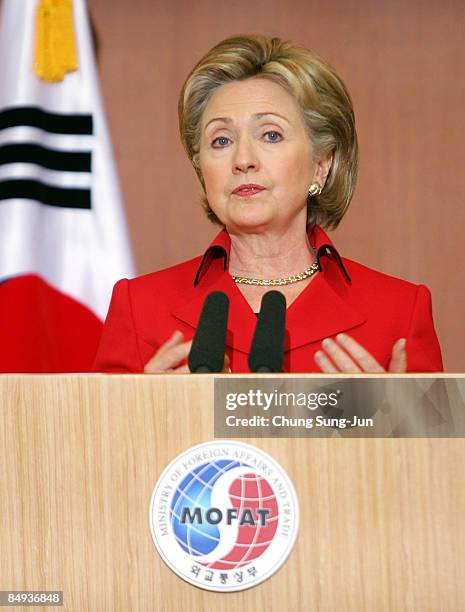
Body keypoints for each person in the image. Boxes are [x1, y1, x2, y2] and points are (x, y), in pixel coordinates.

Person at [93, 34, 443, 374]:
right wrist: (146, 416)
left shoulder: (399, 312)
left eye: (271, 135)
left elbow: (437, 436)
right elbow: (98, 435)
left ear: (322, 164)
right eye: (221, 140)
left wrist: (390, 427)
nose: (243, 159)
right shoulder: (140, 308)